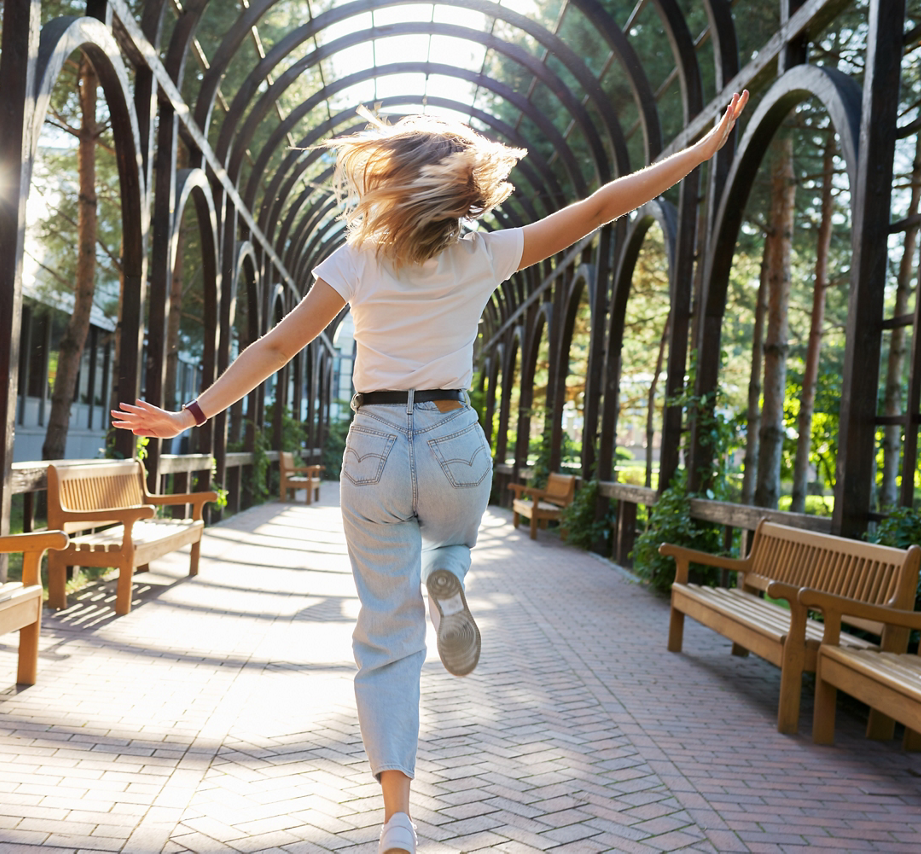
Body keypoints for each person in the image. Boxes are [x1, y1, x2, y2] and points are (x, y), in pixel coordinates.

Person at [111, 90, 749, 854]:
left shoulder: (357, 261)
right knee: (456, 538)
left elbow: (276, 348)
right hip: (453, 438)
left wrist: (190, 415)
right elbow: (603, 205)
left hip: (375, 446)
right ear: (462, 187)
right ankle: (449, 573)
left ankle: (397, 819)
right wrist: (702, 151)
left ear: (391, 180)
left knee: (386, 639)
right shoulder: (485, 254)